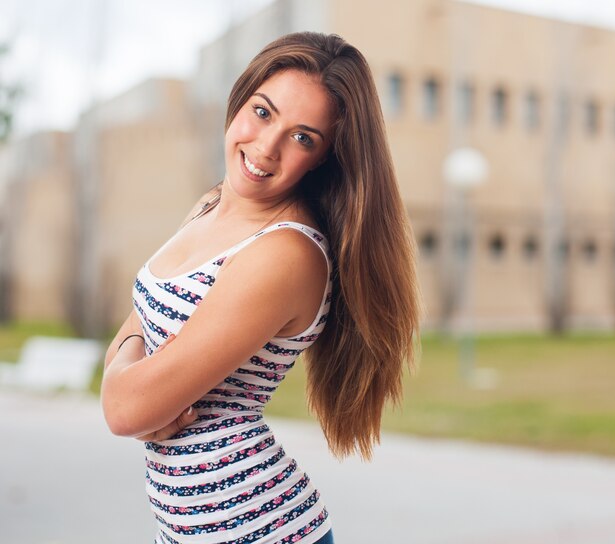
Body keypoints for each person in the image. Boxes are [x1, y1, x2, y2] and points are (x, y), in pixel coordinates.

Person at [101, 31, 422, 544]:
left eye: (303, 137)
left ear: (323, 157)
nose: (266, 147)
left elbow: (124, 405)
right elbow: (130, 348)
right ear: (240, 98)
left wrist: (129, 386)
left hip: (258, 528)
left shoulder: (285, 253)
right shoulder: (208, 206)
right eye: (264, 111)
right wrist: (128, 381)